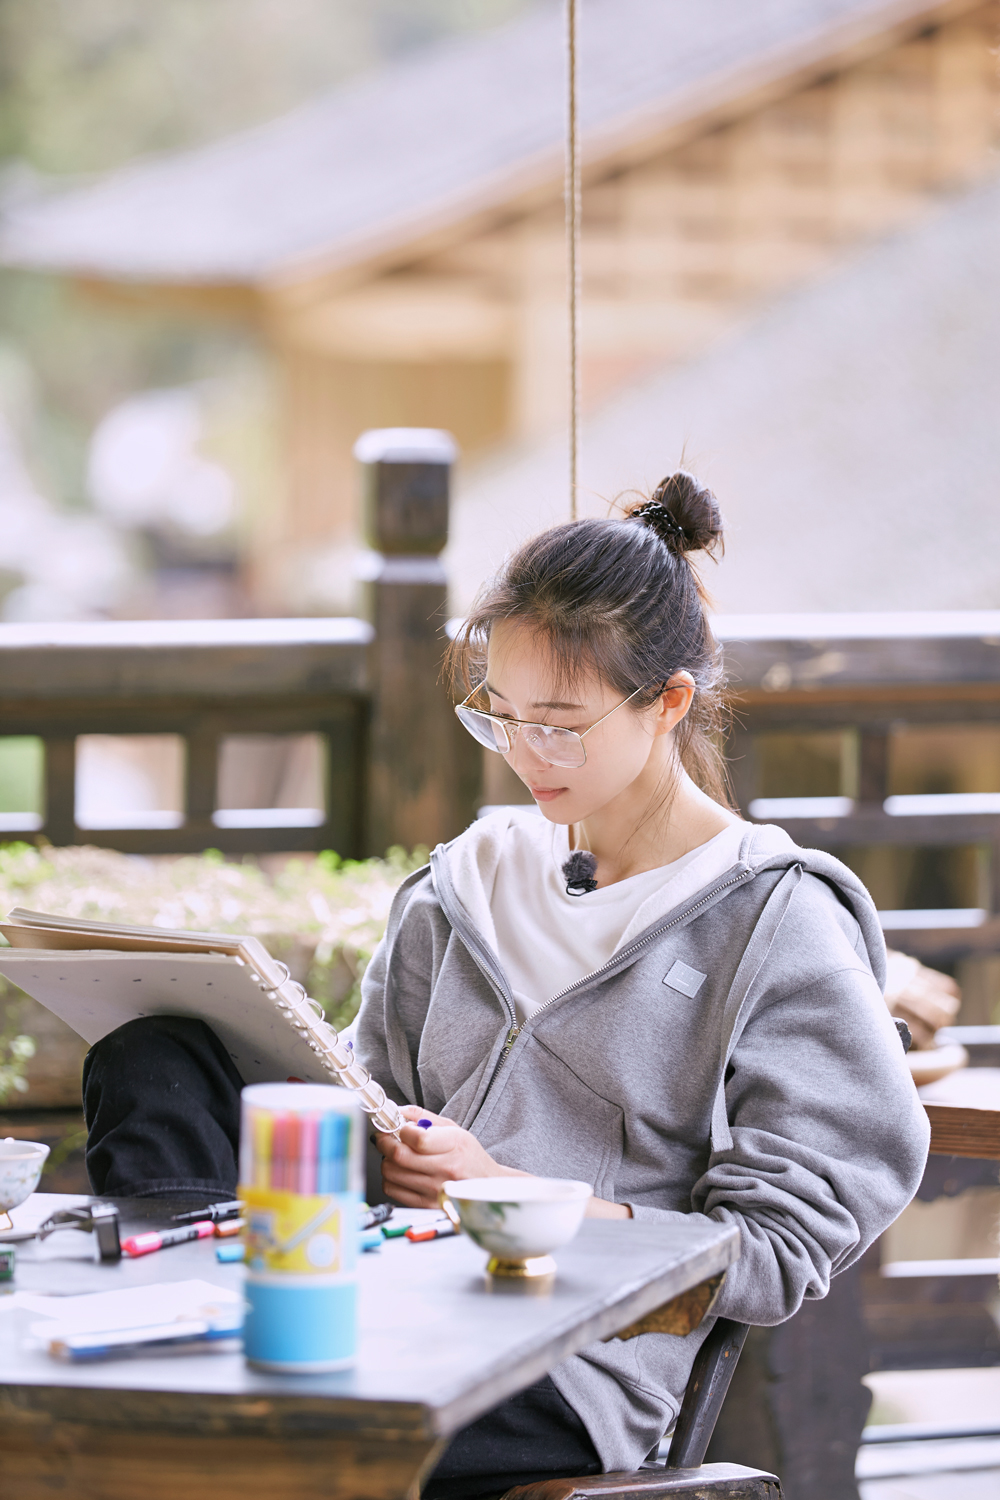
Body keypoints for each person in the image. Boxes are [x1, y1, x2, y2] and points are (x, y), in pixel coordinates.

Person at [82, 473, 930, 1499]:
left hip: (560, 1364)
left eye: (561, 724)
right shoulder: (466, 882)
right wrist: (380, 1138)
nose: (527, 753)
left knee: (226, 1464)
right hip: (380, 1290)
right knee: (155, 1054)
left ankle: (199, 1398)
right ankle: (186, 1334)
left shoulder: (773, 920)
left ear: (666, 703)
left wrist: (511, 1199)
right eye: (504, 717)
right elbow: (370, 1083)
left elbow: (776, 1248)